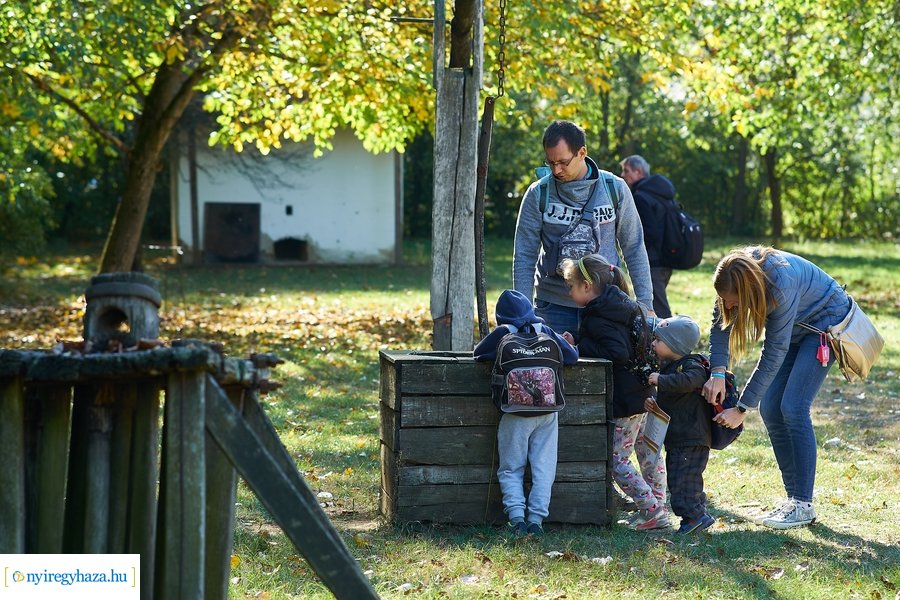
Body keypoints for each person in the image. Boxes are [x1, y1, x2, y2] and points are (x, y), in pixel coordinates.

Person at [702, 246, 851, 529]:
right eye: (724, 300)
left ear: (748, 292)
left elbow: (774, 352)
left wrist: (741, 408)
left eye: (733, 302)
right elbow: (720, 325)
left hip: (825, 323)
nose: (728, 307)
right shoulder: (733, 274)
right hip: (796, 325)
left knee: (793, 407)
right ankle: (793, 499)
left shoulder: (779, 284)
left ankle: (803, 504)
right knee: (771, 408)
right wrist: (717, 372)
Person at [559, 254, 670, 531]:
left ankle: (652, 510)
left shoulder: (598, 315)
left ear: (587, 286)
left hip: (626, 398)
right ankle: (658, 506)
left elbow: (616, 351)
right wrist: (580, 339)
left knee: (616, 460)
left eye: (571, 286)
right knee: (649, 453)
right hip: (645, 391)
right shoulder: (622, 305)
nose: (569, 292)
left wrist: (579, 347)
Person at [513, 120, 654, 336]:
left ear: (582, 152)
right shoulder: (538, 193)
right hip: (553, 307)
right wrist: (523, 311)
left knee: (607, 359)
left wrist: (645, 304)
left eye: (563, 162)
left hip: (606, 305)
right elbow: (524, 254)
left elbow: (633, 246)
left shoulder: (614, 189)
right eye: (550, 162)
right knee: (553, 359)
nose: (556, 170)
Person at [473, 289, 579, 537]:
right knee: (544, 467)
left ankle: (517, 518)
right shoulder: (546, 331)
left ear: (501, 317)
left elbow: (479, 353)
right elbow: (571, 357)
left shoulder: (503, 333)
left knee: (511, 467)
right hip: (548, 412)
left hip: (514, 413)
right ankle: (536, 520)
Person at [645, 315, 717, 534]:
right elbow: (673, 397)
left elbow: (690, 381)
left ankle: (695, 517)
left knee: (685, 479)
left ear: (674, 344)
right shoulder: (671, 366)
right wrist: (655, 403)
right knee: (679, 479)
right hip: (679, 437)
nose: (653, 343)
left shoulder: (692, 365)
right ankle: (696, 515)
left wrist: (660, 380)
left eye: (658, 340)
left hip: (691, 437)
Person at [620, 154, 677, 318]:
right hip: (667, 259)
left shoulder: (640, 197)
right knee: (658, 308)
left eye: (626, 171)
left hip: (652, 262)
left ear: (638, 172)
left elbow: (650, 232)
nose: (623, 175)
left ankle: (674, 335)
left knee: (659, 313)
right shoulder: (659, 193)